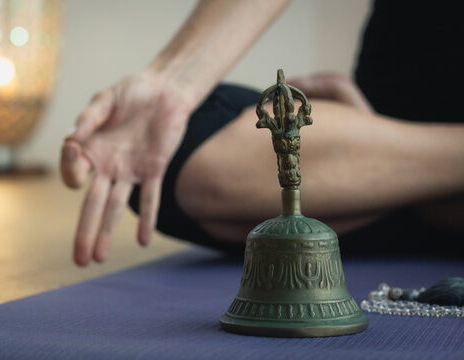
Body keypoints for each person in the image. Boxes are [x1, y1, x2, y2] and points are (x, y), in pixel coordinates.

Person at [60, 0, 464, 266]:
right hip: (374, 139)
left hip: (366, 173)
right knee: (168, 147)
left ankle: (422, 188)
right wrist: (172, 81)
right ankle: (431, 183)